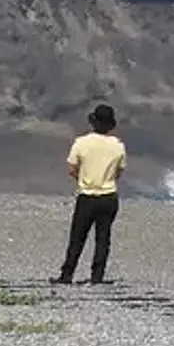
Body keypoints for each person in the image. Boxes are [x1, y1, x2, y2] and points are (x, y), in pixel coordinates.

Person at [55, 103, 125, 285]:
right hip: (109, 195)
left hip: (87, 195)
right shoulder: (118, 146)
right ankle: (97, 276)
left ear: (93, 122)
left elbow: (71, 168)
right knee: (103, 238)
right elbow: (119, 172)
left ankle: (67, 274)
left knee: (77, 237)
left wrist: (82, 178)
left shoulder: (81, 143)